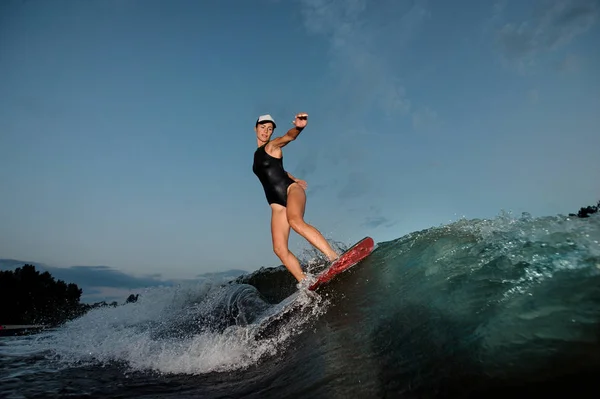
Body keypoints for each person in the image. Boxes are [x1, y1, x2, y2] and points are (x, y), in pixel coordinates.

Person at [252, 112, 339, 283]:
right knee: (279, 248)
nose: (266, 131)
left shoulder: (273, 145)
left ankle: (334, 257)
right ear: (256, 128)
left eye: (269, 129)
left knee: (295, 220)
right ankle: (305, 281)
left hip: (291, 190)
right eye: (263, 128)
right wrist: (293, 176)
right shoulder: (257, 155)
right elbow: (276, 170)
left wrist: (298, 128)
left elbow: (288, 137)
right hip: (276, 205)